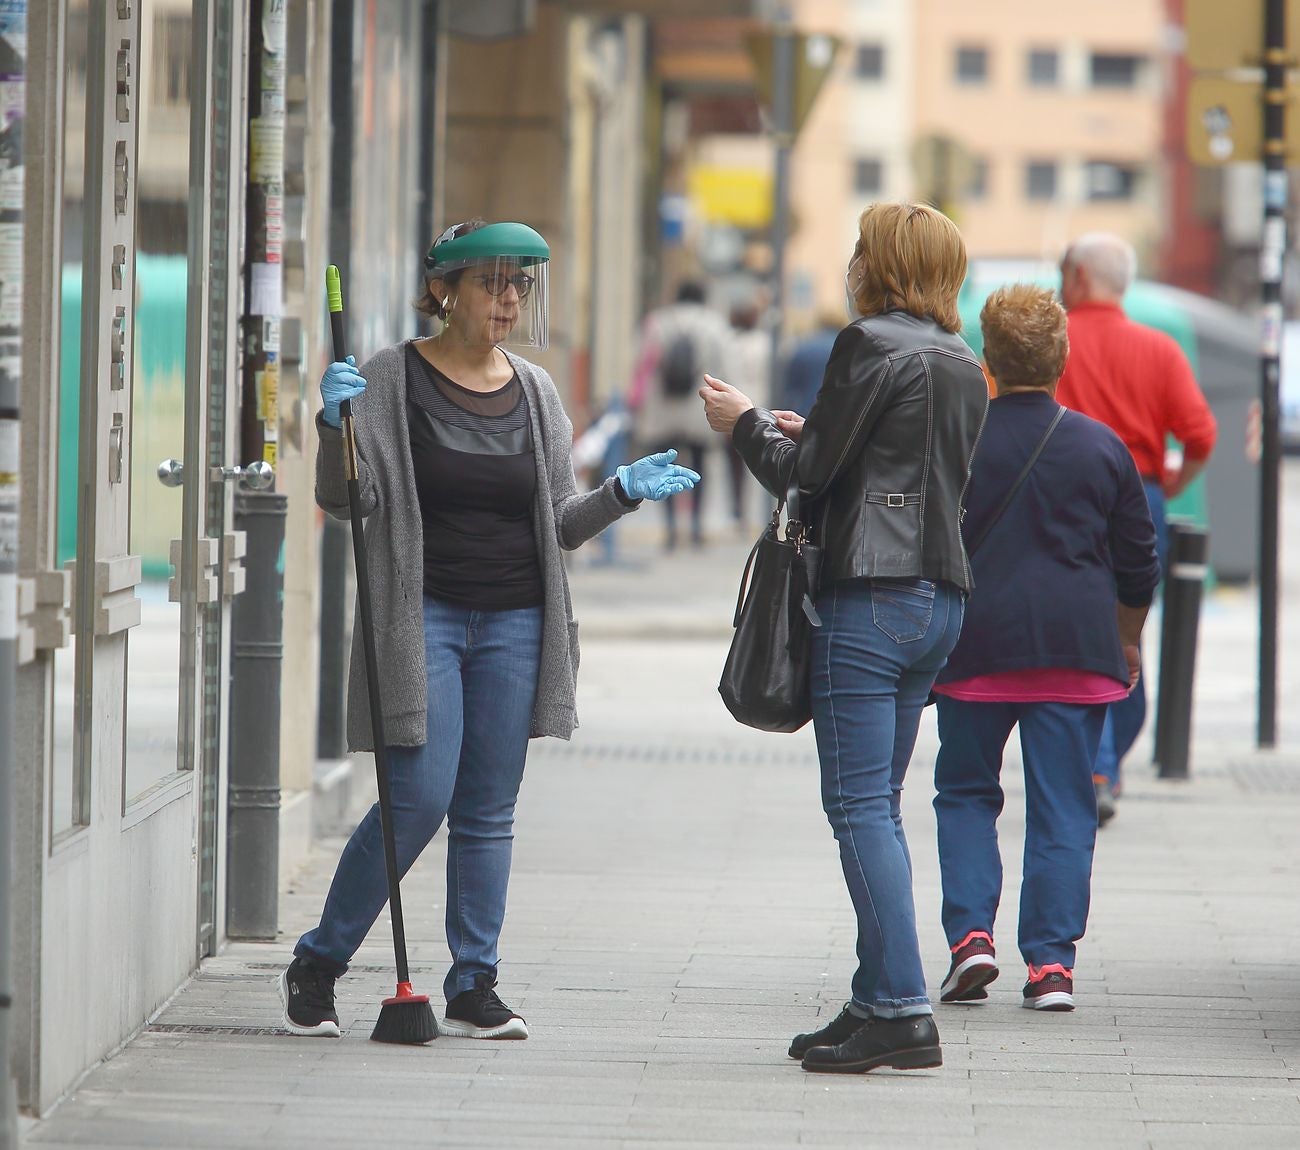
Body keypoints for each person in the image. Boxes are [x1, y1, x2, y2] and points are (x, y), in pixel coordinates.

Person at [279, 219, 700, 1041]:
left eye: (520, 285)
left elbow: (561, 523)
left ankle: (474, 981)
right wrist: (334, 429)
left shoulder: (536, 392)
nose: (509, 300)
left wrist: (621, 490)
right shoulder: (391, 379)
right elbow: (348, 501)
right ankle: (319, 961)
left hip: (515, 623)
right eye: (492, 283)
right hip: (424, 617)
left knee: (488, 808)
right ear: (445, 290)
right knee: (419, 796)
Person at [700, 203, 988, 1075]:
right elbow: (894, 468)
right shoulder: (963, 362)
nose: (853, 260)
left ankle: (900, 1011)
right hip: (938, 598)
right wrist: (810, 433)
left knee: (859, 807)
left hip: (870, 595)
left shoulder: (869, 343)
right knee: (881, 803)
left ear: (885, 264)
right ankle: (874, 997)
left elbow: (806, 477)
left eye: (864, 248)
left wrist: (747, 423)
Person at [931, 285, 1161, 1014]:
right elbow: (1138, 560)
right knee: (1065, 808)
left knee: (966, 792)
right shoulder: (1102, 447)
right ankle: (1051, 967)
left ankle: (971, 938)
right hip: (1072, 650)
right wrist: (1127, 639)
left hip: (974, 648)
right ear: (1062, 360)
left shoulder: (958, 440)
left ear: (989, 362)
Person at [1055, 233, 1217, 822]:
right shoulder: (1159, 349)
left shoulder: (1054, 346)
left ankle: (1093, 762)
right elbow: (1200, 434)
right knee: (1126, 631)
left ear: (1076, 278)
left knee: (1077, 630)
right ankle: (1106, 760)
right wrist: (1172, 483)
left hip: (1065, 499)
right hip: (1139, 499)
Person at [629, 281, 735, 548]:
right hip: (698, 408)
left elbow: (641, 361)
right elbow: (726, 368)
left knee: (662, 467)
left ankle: (671, 529)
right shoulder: (715, 325)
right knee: (699, 468)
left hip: (663, 407)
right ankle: (697, 527)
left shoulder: (657, 322)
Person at [725, 298, 771, 531]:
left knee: (735, 464)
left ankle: (739, 510)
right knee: (758, 460)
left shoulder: (728, 343)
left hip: (734, 410)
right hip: (759, 410)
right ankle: (747, 512)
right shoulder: (764, 343)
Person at [779, 309, 843, 416]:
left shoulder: (804, 347)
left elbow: (791, 388)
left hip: (805, 411)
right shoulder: (844, 347)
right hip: (835, 413)